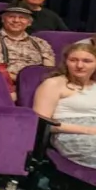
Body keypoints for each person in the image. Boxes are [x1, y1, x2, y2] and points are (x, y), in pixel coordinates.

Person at [34, 39, 96, 167]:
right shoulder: (53, 84)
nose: (79, 65)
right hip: (71, 134)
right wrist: (88, 130)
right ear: (66, 62)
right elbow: (41, 123)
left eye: (87, 61)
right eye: (73, 60)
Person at [0, 4, 55, 98]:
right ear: (3, 20)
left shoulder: (40, 43)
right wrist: (23, 82)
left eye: (22, 17)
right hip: (5, 86)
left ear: (29, 23)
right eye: (11, 17)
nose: (16, 20)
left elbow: (49, 69)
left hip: (37, 85)